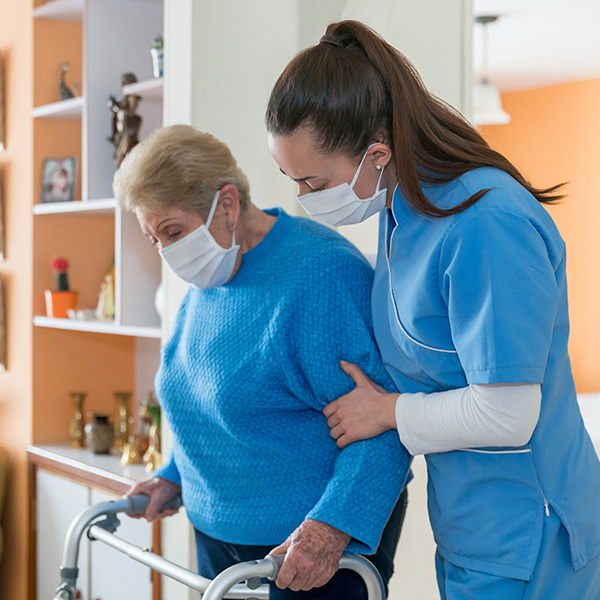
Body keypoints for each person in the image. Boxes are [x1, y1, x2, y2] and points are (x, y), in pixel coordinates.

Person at [265, 19, 600, 600]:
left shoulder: (487, 223)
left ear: (376, 154)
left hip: (531, 529)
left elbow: (509, 413)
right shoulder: (403, 208)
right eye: (291, 181)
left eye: (314, 183)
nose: (304, 200)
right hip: (470, 525)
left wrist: (387, 411)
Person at [114, 124, 411, 599]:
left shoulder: (322, 275)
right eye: (154, 239)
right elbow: (210, 401)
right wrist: (174, 476)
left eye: (172, 231)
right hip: (218, 544)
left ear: (227, 205)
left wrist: (329, 530)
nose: (167, 252)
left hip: (306, 555)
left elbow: (383, 429)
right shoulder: (211, 280)